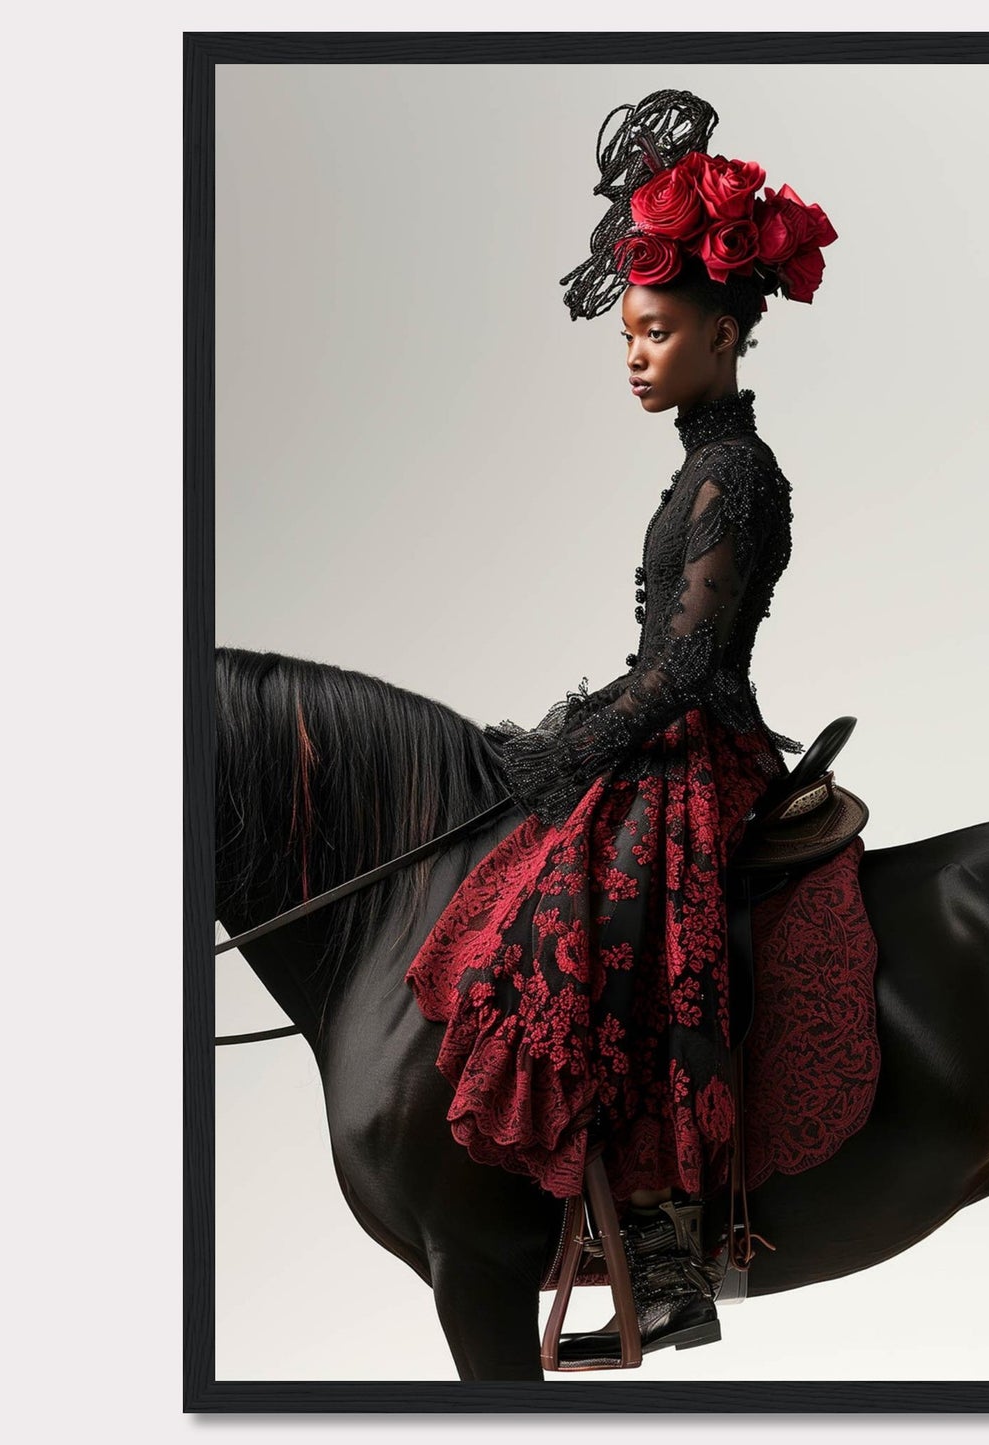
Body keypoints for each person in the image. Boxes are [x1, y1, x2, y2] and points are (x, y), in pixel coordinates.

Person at [404, 87, 838, 1361]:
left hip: (699, 746)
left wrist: (565, 743)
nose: (635, 354)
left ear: (719, 331)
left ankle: (660, 1238)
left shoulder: (735, 475)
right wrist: (580, 721)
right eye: (628, 335)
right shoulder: (703, 462)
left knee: (602, 911)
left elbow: (691, 668)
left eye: (656, 332)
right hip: (667, 724)